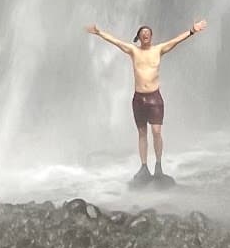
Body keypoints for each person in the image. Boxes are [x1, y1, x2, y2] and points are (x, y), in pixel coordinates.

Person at [84, 19, 208, 182]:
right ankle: (143, 167)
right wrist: (99, 32)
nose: (145, 36)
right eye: (143, 34)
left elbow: (176, 40)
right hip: (138, 99)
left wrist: (192, 30)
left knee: (156, 132)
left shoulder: (159, 49)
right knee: (142, 133)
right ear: (139, 37)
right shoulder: (133, 51)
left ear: (151, 36)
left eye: (148, 34)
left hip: (154, 98)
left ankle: (158, 165)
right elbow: (116, 41)